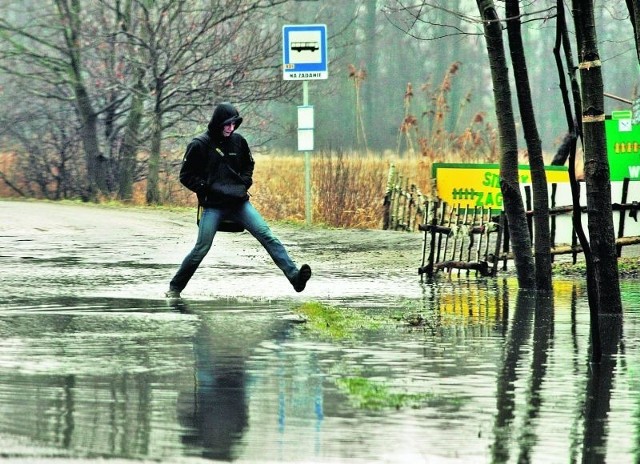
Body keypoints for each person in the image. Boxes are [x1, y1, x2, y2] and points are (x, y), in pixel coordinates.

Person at [166, 102, 311, 298]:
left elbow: (248, 165)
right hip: (213, 207)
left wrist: (244, 183)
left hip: (239, 203)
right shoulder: (198, 145)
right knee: (201, 248)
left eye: (234, 124)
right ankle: (175, 288)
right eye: (227, 124)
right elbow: (186, 176)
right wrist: (206, 189)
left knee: (267, 236)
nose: (231, 128)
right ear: (218, 123)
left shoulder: (239, 142)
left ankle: (295, 278)